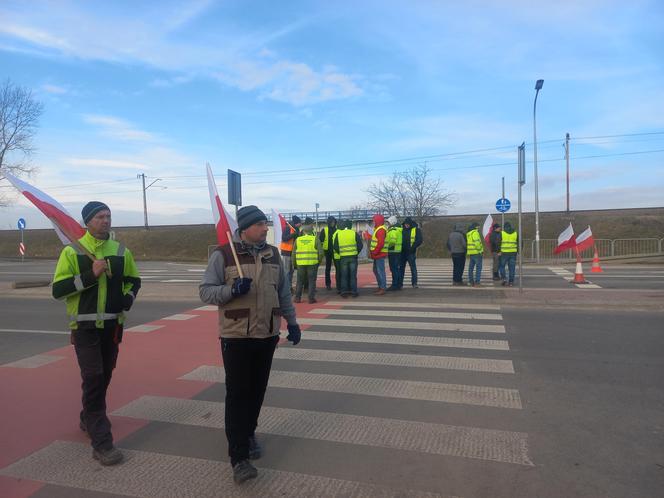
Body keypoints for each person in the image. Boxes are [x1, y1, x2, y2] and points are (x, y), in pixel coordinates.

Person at [199, 205, 301, 484]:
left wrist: (291, 322)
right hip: (236, 336)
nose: (265, 228)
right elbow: (205, 291)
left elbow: (282, 292)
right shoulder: (222, 254)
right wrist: (231, 290)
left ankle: (248, 432)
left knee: (257, 390)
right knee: (237, 394)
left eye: (264, 224)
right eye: (259, 225)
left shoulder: (273, 254)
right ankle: (239, 457)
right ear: (244, 228)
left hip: (267, 333)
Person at [52, 201, 141, 466]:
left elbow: (134, 280)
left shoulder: (121, 250)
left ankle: (87, 416)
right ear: (87, 222)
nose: (106, 220)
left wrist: (127, 298)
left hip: (113, 328)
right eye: (100, 216)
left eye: (108, 215)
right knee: (93, 376)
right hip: (84, 328)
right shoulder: (72, 251)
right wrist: (90, 275)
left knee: (104, 377)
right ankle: (102, 442)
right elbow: (58, 290)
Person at [293, 217, 322, 304]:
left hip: (301, 264)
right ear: (311, 230)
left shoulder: (298, 240)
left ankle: (297, 298)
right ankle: (311, 298)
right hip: (312, 263)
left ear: (304, 231)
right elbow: (320, 252)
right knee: (312, 281)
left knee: (300, 281)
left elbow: (293, 253)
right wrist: (318, 262)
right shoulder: (315, 238)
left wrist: (294, 264)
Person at [333, 219, 363, 298]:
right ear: (350, 226)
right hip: (353, 257)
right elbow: (360, 245)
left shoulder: (339, 234)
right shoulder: (354, 233)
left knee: (344, 275)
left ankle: (344, 291)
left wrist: (341, 253)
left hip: (343, 257)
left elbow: (335, 246)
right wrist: (356, 252)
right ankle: (354, 291)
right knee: (353, 275)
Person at [279, 215, 301, 290]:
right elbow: (284, 238)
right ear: (296, 223)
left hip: (293, 253)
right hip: (286, 252)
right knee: (287, 271)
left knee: (291, 271)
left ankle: (289, 287)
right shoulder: (287, 228)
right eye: (299, 223)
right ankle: (286, 288)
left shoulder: (296, 229)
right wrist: (293, 235)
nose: (300, 224)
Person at [400, 217, 423, 288]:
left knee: (413, 268)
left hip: (411, 252)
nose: (406, 225)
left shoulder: (416, 230)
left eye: (407, 224)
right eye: (405, 224)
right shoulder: (401, 229)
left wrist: (413, 248)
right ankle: (400, 284)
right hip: (402, 252)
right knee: (401, 269)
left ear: (410, 224)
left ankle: (414, 283)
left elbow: (419, 240)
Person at [369, 214, 388, 295]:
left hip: (379, 254)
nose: (373, 222)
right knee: (376, 270)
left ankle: (382, 288)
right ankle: (381, 286)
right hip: (378, 254)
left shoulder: (380, 230)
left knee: (380, 271)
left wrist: (374, 252)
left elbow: (380, 243)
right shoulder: (378, 229)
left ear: (377, 221)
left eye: (374, 220)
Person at [319, 216, 338, 291]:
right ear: (329, 222)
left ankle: (338, 284)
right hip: (327, 252)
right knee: (328, 268)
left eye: (334, 222)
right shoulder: (325, 230)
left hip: (335, 251)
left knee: (338, 268)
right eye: (331, 222)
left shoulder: (337, 230)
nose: (333, 223)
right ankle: (328, 284)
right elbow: (320, 241)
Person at [386, 215, 404, 291]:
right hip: (398, 251)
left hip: (393, 252)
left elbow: (392, 241)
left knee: (393, 269)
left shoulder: (393, 231)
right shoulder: (398, 230)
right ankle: (399, 284)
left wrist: (387, 246)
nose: (388, 224)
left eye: (388, 223)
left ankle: (395, 285)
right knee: (397, 269)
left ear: (392, 222)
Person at [499, 221, 518, 287]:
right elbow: (520, 242)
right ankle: (511, 282)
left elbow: (498, 242)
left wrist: (499, 251)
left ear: (504, 227)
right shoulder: (515, 233)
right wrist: (517, 251)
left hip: (504, 253)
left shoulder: (502, 233)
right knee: (512, 268)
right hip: (513, 253)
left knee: (501, 266)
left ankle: (504, 279)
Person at [466, 222, 484, 287]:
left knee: (471, 268)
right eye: (478, 226)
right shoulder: (475, 233)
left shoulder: (468, 233)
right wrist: (480, 251)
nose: (479, 228)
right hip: (477, 253)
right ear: (476, 227)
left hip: (471, 253)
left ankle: (471, 282)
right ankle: (477, 283)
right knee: (478, 268)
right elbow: (477, 243)